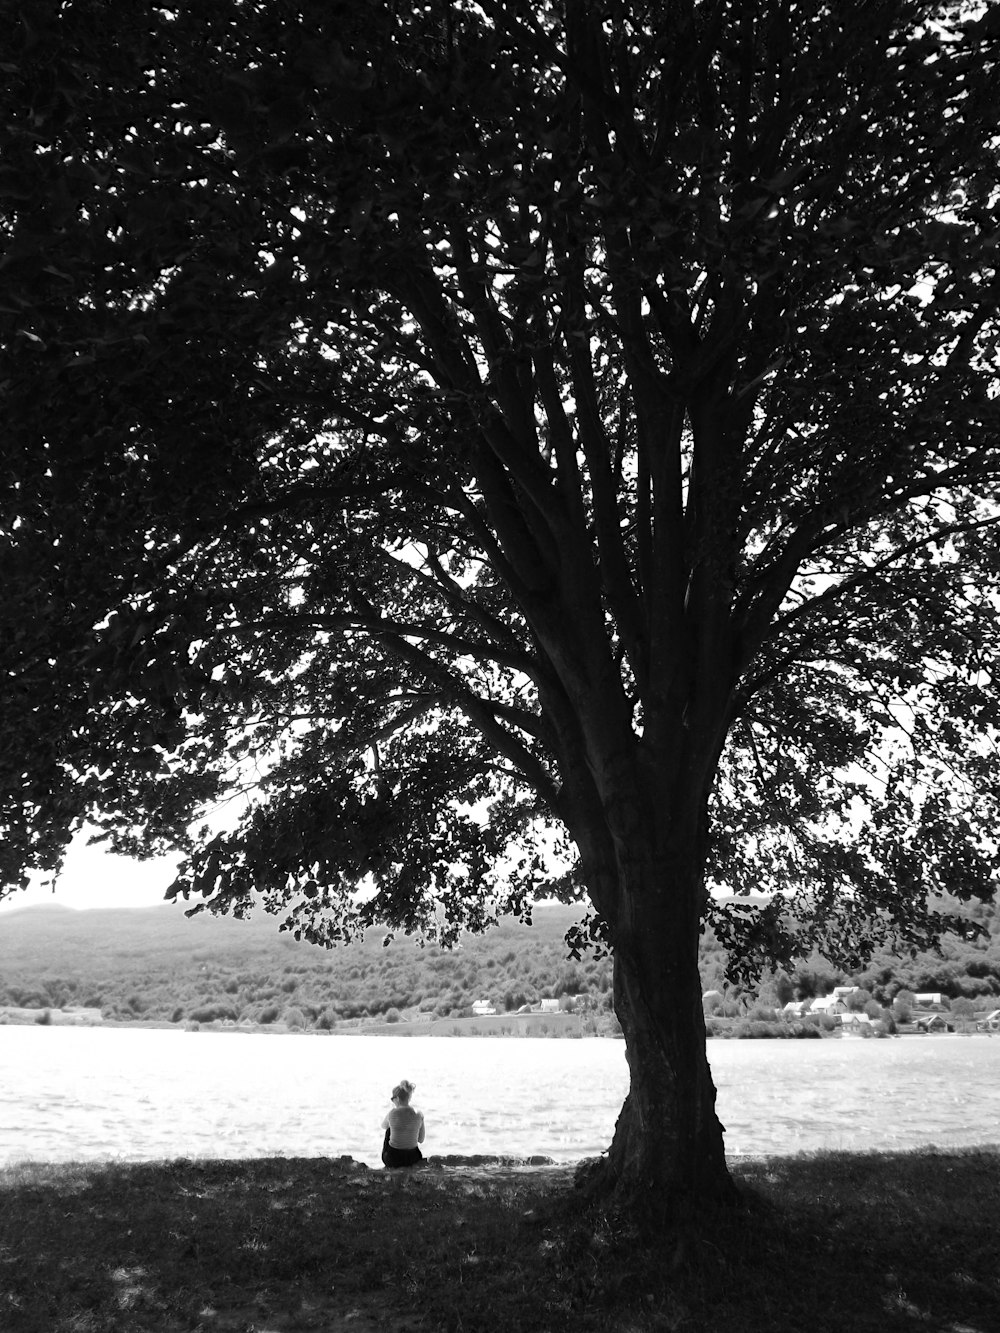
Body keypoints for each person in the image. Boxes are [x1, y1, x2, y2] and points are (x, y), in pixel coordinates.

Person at [380, 1078, 425, 1168]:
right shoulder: (419, 1115)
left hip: (393, 1159)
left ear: (397, 1098)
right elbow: (421, 1140)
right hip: (413, 1159)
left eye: (392, 1098)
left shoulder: (392, 1112)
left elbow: (383, 1126)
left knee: (389, 1130)